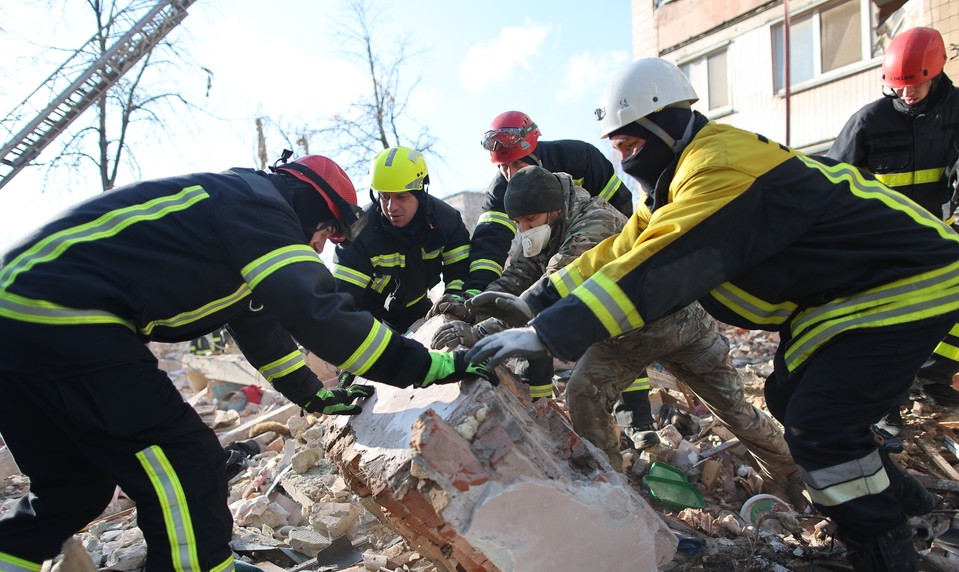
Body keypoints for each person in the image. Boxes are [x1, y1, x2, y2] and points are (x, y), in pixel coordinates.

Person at [466, 57, 959, 571]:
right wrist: (536, 300)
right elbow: (627, 248)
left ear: (663, 126)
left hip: (905, 278)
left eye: (631, 147)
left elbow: (659, 266)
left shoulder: (716, 167)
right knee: (789, 398)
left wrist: (546, 333)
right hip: (846, 296)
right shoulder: (676, 175)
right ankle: (904, 501)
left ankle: (883, 548)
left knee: (821, 424)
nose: (627, 161)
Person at [0, 153, 493, 571]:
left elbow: (259, 325)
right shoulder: (258, 205)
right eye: (325, 233)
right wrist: (430, 368)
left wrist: (312, 394)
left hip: (18, 317)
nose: (320, 248)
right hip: (63, 315)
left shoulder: (232, 214)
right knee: (187, 464)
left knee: (71, 490)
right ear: (310, 206)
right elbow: (318, 314)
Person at [436, 166, 802, 496]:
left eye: (530, 221)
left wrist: (480, 333)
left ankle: (797, 481)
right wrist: (470, 311)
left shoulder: (594, 225)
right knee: (583, 392)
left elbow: (549, 292)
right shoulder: (547, 223)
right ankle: (615, 494)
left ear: (555, 210)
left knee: (733, 411)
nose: (525, 230)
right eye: (520, 223)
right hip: (626, 335)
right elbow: (520, 277)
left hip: (678, 324)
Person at [828, 26, 959, 411]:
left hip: (944, 237)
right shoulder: (869, 122)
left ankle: (933, 376)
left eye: (914, 85)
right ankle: (891, 402)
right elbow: (831, 182)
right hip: (887, 242)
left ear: (936, 71)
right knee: (888, 319)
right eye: (898, 86)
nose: (906, 94)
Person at [428, 111, 633, 324]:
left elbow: (621, 208)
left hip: (604, 254)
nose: (511, 175)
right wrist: (471, 304)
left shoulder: (579, 158)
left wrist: (482, 331)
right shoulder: (502, 191)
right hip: (558, 250)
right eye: (504, 167)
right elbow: (496, 253)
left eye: (517, 164)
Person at [333, 146, 471, 333]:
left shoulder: (446, 223)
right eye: (385, 196)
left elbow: (460, 275)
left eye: (401, 196)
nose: (391, 207)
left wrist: (451, 311)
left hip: (416, 309)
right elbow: (345, 303)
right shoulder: (359, 231)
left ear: (420, 191)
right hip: (367, 314)